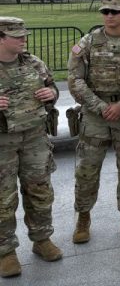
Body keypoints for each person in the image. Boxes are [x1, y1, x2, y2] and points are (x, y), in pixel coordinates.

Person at [67, 0, 120, 244]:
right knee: (87, 169)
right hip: (95, 116)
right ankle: (83, 217)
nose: (110, 16)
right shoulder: (88, 42)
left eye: (115, 11)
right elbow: (75, 79)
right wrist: (101, 106)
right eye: (106, 12)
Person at [0, 17, 62, 278]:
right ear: (1, 38)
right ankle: (6, 251)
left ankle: (41, 239)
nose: (23, 39)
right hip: (3, 143)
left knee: (40, 191)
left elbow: (53, 88)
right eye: (17, 36)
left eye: (24, 34)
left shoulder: (34, 62)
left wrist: (52, 95)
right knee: (3, 198)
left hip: (35, 138)